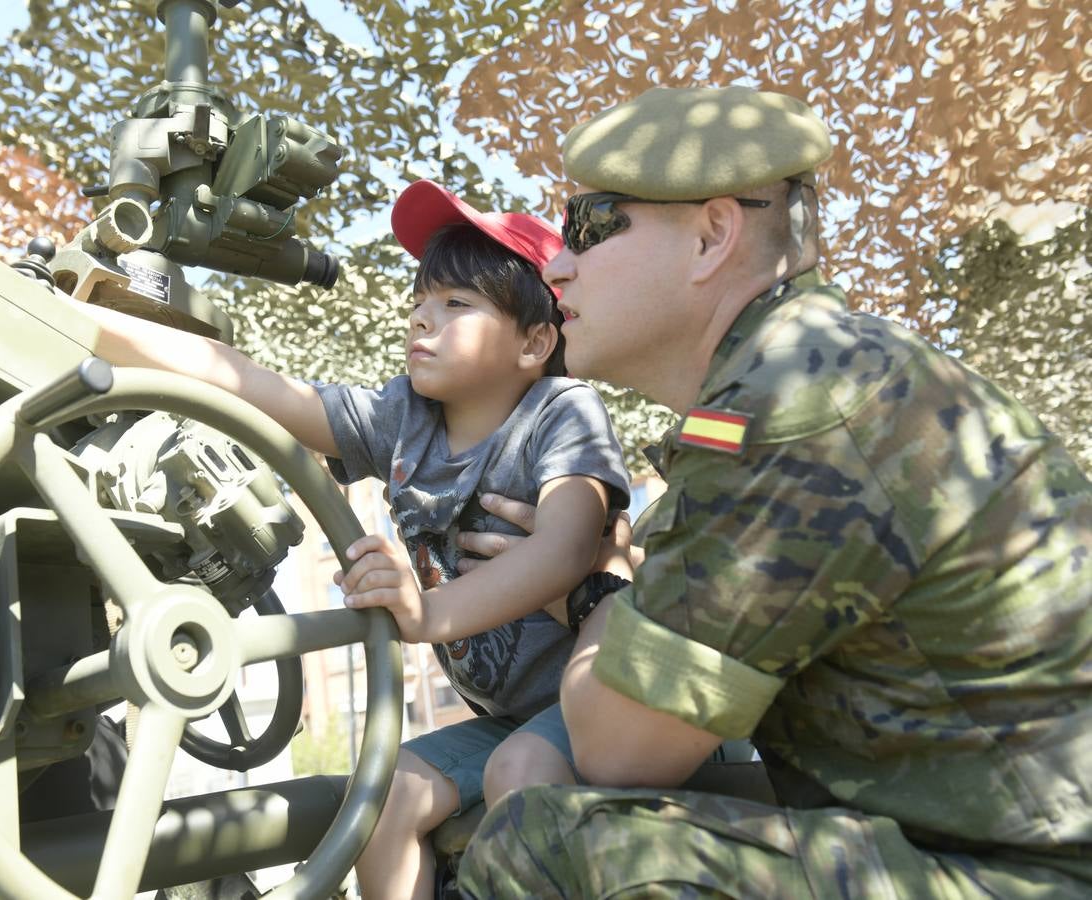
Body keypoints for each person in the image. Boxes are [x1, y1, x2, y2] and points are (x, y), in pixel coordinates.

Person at [454, 86, 1092, 897]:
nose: (556, 264)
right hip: (1011, 845)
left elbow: (620, 748)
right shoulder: (814, 368)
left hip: (1037, 875)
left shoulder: (788, 408)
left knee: (537, 844)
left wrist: (594, 592)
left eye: (591, 224)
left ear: (712, 236)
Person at [78, 179, 632, 899]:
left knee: (520, 771)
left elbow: (565, 549)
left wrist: (426, 613)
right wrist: (79, 322)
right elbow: (252, 385)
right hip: (509, 718)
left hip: (605, 704)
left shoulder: (562, 413)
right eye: (419, 302)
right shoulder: (405, 420)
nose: (422, 318)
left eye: (456, 305)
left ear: (534, 341)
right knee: (383, 796)